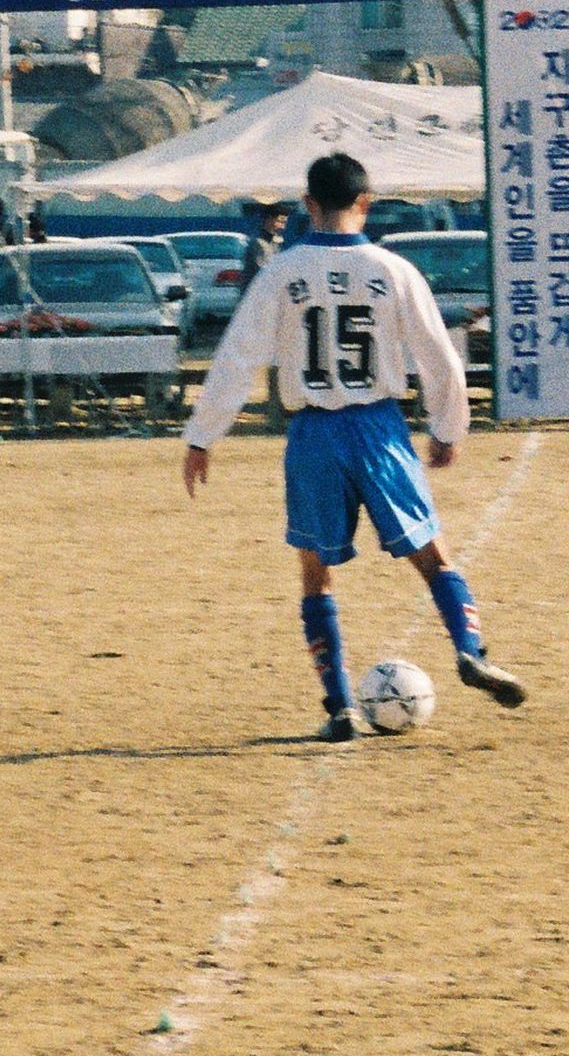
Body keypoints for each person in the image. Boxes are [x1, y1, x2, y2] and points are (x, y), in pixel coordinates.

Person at [181, 149, 528, 740]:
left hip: (313, 434)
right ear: (365, 204)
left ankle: (340, 706)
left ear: (307, 207)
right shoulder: (393, 270)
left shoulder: (283, 273)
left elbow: (238, 357)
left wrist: (202, 437)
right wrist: (448, 428)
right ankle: (469, 649)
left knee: (316, 575)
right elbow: (439, 358)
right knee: (433, 556)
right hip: (377, 427)